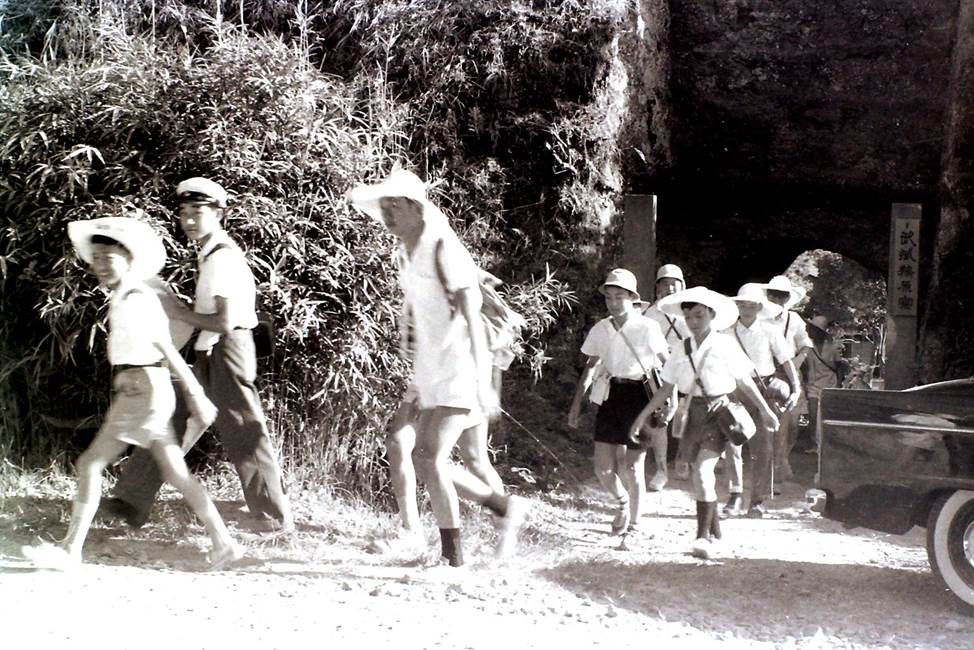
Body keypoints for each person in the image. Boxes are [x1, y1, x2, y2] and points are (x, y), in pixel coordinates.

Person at [22, 217, 242, 570]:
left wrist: (197, 393)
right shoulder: (127, 294)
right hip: (145, 388)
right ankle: (223, 541)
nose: (101, 265)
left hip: (142, 389)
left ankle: (69, 550)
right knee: (175, 472)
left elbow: (164, 345)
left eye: (109, 257)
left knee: (90, 464)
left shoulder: (137, 296)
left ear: (128, 258)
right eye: (96, 258)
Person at [349, 169, 529, 568]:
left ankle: (454, 557)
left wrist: (484, 383)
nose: (387, 214)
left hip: (460, 368)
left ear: (416, 207)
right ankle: (500, 506)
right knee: (427, 459)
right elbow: (422, 316)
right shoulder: (407, 253)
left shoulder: (443, 247)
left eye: (394, 205)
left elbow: (472, 314)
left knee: (430, 457)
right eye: (383, 207)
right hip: (431, 371)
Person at [104, 178, 293, 534]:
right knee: (171, 418)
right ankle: (128, 504)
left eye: (198, 212)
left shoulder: (222, 258)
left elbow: (223, 321)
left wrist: (176, 309)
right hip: (211, 350)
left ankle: (272, 516)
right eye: (184, 213)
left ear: (219, 214)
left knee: (243, 429)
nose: (189, 220)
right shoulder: (210, 253)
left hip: (228, 348)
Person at [630, 286, 779, 560]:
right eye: (688, 318)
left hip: (718, 411)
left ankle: (703, 536)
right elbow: (667, 387)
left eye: (699, 316)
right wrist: (641, 418)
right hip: (690, 413)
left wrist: (766, 410)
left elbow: (745, 380)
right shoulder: (681, 348)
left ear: (711, 315)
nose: (694, 322)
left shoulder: (724, 344)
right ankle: (717, 533)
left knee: (702, 471)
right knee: (694, 474)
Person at [568, 268, 670, 541]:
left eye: (620, 297)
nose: (614, 303)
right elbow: (590, 367)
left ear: (632, 298)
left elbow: (666, 363)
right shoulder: (600, 329)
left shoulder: (648, 327)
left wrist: (670, 400)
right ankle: (622, 503)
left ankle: (636, 524)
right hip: (611, 394)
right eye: (609, 297)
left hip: (640, 396)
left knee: (633, 466)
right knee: (602, 467)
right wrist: (576, 404)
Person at [722, 284, 799, 517]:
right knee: (732, 443)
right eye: (742, 304)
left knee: (763, 446)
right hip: (735, 389)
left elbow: (785, 361)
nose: (747, 309)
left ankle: (756, 500)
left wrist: (796, 389)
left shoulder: (770, 330)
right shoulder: (726, 332)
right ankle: (735, 494)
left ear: (759, 307)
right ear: (737, 306)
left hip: (765, 389)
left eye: (752, 304)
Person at [640, 263, 691, 489]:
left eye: (674, 283)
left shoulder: (691, 310)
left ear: (682, 285)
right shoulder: (650, 312)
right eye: (665, 284)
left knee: (683, 416)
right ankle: (661, 471)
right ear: (658, 287)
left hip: (686, 367)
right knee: (659, 419)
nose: (670, 288)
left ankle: (682, 458)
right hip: (659, 370)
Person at [762, 275, 813, 483]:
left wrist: (796, 363)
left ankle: (783, 458)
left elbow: (806, 344)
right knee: (777, 423)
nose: (777, 299)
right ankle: (776, 467)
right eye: (773, 295)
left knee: (792, 424)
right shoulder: (760, 319)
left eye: (782, 296)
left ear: (787, 298)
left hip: (790, 373)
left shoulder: (795, 320)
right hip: (768, 373)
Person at [802, 312, 843, 452]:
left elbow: (839, 367)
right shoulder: (807, 346)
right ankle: (814, 444)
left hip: (829, 385)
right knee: (813, 417)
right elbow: (804, 366)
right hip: (813, 386)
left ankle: (827, 445)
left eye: (813, 329)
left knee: (826, 417)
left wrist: (838, 385)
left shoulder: (832, 346)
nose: (810, 331)